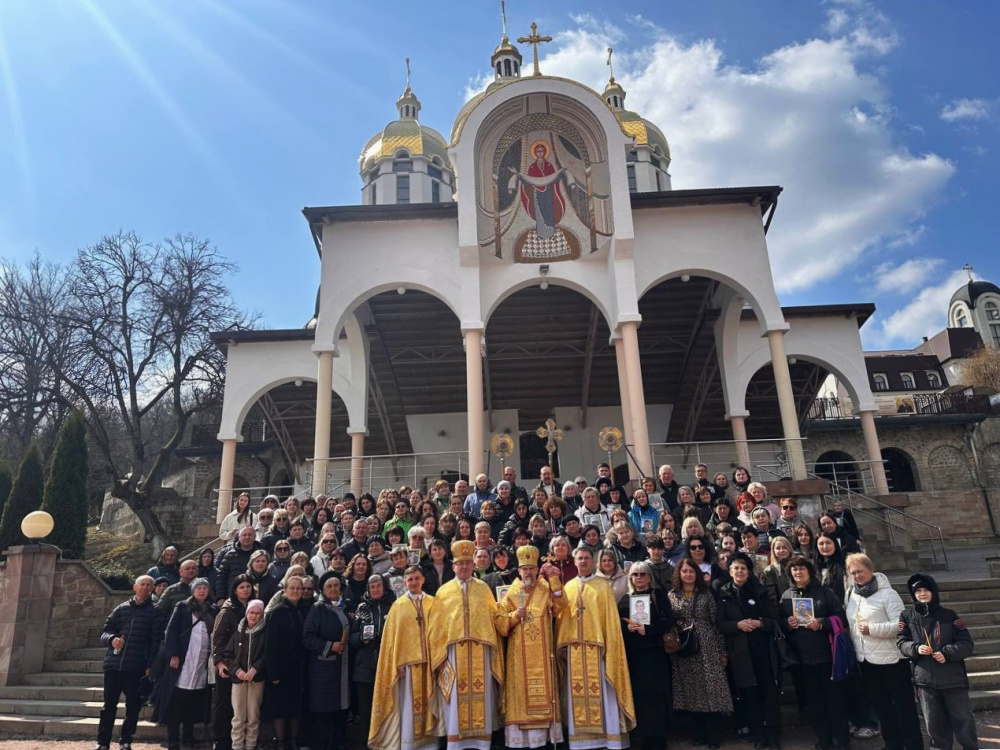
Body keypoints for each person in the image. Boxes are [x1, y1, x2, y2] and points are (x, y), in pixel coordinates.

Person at [555, 545, 635, 749]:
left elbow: (610, 622)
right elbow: (563, 620)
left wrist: (608, 646)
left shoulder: (602, 586)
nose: (582, 561)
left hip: (598, 650)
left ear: (593, 561)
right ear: (574, 562)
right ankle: (582, 743)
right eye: (579, 558)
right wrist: (562, 644)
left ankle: (609, 739)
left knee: (604, 694)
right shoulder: (569, 587)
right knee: (576, 694)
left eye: (586, 558)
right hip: (574, 651)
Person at [430, 540, 504, 750]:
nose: (463, 567)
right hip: (453, 654)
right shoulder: (443, 592)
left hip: (481, 652)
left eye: (467, 563)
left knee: (483, 698)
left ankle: (481, 744)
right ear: (453, 566)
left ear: (473, 565)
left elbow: (493, 618)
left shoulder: (483, 589)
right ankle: (457, 744)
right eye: (459, 563)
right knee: (455, 699)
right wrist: (440, 656)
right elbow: (436, 629)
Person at [844, 554, 922, 750]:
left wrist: (872, 629)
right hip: (866, 660)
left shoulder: (888, 594)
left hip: (892, 659)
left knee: (903, 706)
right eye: (853, 573)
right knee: (882, 706)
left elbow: (901, 624)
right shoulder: (851, 595)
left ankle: (913, 744)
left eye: (860, 571)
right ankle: (892, 744)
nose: (857, 576)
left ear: (871, 570)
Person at [493, 545, 565, 749]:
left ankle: (544, 742)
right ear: (519, 571)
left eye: (531, 569)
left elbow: (561, 607)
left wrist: (554, 579)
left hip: (543, 655)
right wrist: (515, 616)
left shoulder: (545, 588)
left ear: (536, 570)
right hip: (519, 658)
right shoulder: (511, 592)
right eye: (524, 569)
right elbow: (499, 621)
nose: (528, 573)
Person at [898, 573, 979, 750]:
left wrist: (948, 653)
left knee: (964, 724)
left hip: (953, 680)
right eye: (918, 591)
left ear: (933, 591)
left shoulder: (949, 615)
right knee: (935, 728)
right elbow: (901, 642)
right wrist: (915, 648)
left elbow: (967, 643)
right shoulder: (906, 616)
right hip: (925, 681)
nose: (922, 593)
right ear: (913, 595)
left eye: (926, 589)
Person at [369, 565, 442, 750]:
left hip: (429, 664)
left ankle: (430, 745)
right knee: (408, 706)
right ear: (404, 582)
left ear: (423, 579)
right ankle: (409, 744)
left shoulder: (433, 603)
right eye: (410, 580)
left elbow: (441, 631)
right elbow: (391, 640)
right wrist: (396, 663)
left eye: (417, 578)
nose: (414, 582)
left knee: (430, 702)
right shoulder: (398, 606)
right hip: (407, 668)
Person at [780, 556, 849, 750]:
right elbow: (780, 623)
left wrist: (822, 623)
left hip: (828, 657)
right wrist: (787, 623)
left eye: (802, 569)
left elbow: (841, 617)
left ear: (809, 571)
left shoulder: (824, 592)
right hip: (803, 661)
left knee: (835, 702)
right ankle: (824, 740)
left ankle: (842, 741)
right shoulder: (786, 596)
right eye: (794, 570)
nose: (798, 572)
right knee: (816, 705)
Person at [716, 553, 781, 749]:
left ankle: (773, 735)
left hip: (763, 651)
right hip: (740, 654)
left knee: (768, 694)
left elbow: (774, 621)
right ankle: (758, 734)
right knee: (750, 696)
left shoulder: (759, 591)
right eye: (736, 568)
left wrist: (760, 623)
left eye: (743, 568)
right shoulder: (724, 593)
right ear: (730, 571)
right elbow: (720, 624)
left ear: (749, 571)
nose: (740, 571)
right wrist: (737, 625)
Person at [668, 557, 732, 748]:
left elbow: (716, 622)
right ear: (678, 574)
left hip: (707, 647)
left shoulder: (706, 594)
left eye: (691, 571)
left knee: (711, 693)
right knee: (691, 694)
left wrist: (722, 651)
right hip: (685, 648)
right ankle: (699, 734)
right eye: (684, 571)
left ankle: (713, 735)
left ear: (696, 573)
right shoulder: (672, 595)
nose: (688, 574)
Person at [95, 575, 163, 750]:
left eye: (150, 585)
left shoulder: (155, 611)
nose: (146, 588)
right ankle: (102, 742)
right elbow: (104, 632)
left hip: (136, 667)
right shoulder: (121, 608)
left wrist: (150, 666)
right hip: (113, 665)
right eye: (143, 584)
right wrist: (112, 639)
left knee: (133, 706)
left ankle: (126, 740)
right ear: (135, 587)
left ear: (153, 588)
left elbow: (156, 642)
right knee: (108, 705)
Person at [154, 578, 216, 750]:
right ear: (193, 590)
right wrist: (173, 654)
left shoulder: (212, 610)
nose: (202, 591)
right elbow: (171, 631)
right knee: (176, 702)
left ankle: (188, 737)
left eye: (205, 587)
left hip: (201, 663)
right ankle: (173, 738)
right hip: (182, 662)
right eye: (199, 588)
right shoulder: (182, 607)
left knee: (192, 702)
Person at [619, 561, 674, 750]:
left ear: (649, 577)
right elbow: (617, 626)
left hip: (655, 652)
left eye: (643, 574)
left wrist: (648, 629)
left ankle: (659, 737)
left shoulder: (658, 595)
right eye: (635, 575)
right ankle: (643, 736)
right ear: (630, 578)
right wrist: (627, 627)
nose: (639, 578)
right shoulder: (625, 599)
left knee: (657, 696)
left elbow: (668, 620)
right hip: (635, 655)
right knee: (640, 697)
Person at [303, 572, 352, 750]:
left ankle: (338, 743)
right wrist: (330, 646)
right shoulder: (318, 609)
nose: (333, 589)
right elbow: (307, 637)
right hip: (323, 670)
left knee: (341, 709)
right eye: (329, 586)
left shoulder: (346, 606)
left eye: (336, 585)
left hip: (343, 668)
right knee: (323, 712)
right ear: (323, 590)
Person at [263, 575, 308, 749]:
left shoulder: (305, 609)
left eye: (299, 588)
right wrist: (273, 672)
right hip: (281, 669)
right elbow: (270, 645)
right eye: (292, 588)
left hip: (299, 668)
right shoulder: (277, 611)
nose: (295, 591)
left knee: (296, 707)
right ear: (285, 590)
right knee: (280, 708)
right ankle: (281, 741)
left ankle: (293, 740)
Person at [211, 574, 254, 750]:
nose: (245, 589)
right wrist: (219, 662)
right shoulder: (227, 611)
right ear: (235, 590)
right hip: (228, 664)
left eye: (248, 586)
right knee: (224, 704)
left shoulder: (255, 608)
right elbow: (218, 638)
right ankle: (221, 740)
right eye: (242, 586)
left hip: (248, 665)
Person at [350, 574, 393, 740]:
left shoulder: (393, 606)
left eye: (378, 586)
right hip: (364, 666)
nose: (375, 589)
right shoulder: (362, 608)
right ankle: (367, 741)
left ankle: (387, 740)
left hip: (387, 664)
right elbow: (352, 637)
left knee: (387, 706)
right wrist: (361, 638)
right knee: (365, 708)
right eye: (372, 587)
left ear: (384, 587)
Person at [221, 599, 266, 750]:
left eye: (258, 613)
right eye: (251, 612)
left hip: (256, 680)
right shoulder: (237, 634)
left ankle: (251, 745)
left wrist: (255, 669)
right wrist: (237, 670)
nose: (254, 616)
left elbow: (267, 655)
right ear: (247, 613)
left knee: (253, 715)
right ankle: (237, 746)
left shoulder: (265, 633)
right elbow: (227, 655)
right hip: (239, 680)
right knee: (238, 716)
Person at [216, 527, 264, 603]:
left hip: (256, 599)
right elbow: (221, 577)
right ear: (239, 537)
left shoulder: (262, 555)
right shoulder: (230, 555)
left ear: (255, 536)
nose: (247, 537)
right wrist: (220, 597)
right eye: (244, 535)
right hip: (232, 598)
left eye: (250, 535)